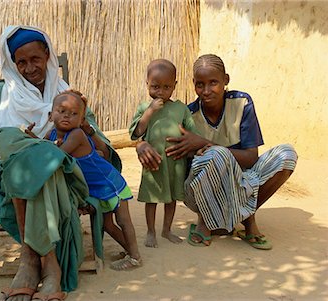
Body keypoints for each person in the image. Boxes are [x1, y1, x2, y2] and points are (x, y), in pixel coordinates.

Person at [0, 26, 121, 301]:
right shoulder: (3, 94)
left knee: (44, 160)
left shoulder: (66, 96)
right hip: (14, 169)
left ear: (47, 55)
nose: (29, 68)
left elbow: (98, 140)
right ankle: (50, 267)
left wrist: (83, 125)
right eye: (21, 62)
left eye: (35, 59)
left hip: (60, 173)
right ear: (13, 63)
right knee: (18, 144)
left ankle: (30, 260)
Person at [136, 54, 297, 249]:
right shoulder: (187, 114)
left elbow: (251, 158)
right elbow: (160, 139)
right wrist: (140, 145)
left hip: (244, 178)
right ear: (193, 84)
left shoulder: (242, 103)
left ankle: (245, 217)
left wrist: (203, 142)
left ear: (226, 80)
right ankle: (208, 219)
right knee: (215, 155)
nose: (206, 90)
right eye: (200, 84)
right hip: (201, 193)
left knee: (286, 155)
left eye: (213, 82)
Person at [42, 91, 142, 270]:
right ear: (50, 116)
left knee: (123, 221)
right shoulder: (51, 135)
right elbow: (43, 146)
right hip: (97, 188)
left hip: (110, 183)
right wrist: (32, 138)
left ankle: (135, 257)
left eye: (74, 114)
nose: (67, 116)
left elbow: (58, 155)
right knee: (108, 225)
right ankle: (129, 250)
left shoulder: (77, 135)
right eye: (62, 110)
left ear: (81, 120)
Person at [129, 59, 197, 248]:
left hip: (175, 161)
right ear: (147, 84)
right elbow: (137, 132)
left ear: (174, 86)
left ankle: (166, 230)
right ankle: (151, 231)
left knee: (172, 197)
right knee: (152, 199)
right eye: (155, 86)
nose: (161, 91)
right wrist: (150, 111)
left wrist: (191, 142)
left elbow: (192, 133)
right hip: (154, 161)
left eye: (167, 87)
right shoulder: (144, 108)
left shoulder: (181, 108)